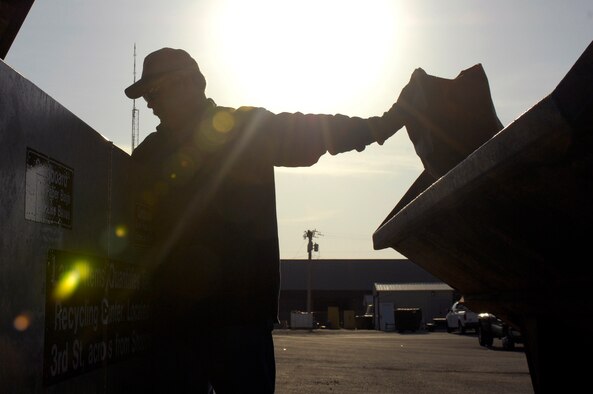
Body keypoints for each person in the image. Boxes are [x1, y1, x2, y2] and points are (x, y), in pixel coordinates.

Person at [125, 47, 404, 393]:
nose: (149, 104)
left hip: (239, 321)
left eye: (153, 93)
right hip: (175, 323)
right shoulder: (150, 154)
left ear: (186, 84)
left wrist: (380, 126)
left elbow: (317, 131)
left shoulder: (245, 130)